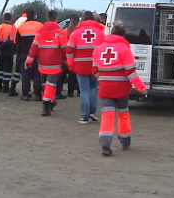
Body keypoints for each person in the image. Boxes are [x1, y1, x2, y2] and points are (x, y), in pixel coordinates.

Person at [92, 22, 147, 156]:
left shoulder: (98, 49)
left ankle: (105, 145)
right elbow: (131, 72)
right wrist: (141, 87)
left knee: (107, 116)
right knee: (123, 115)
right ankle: (125, 142)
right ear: (123, 36)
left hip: (105, 88)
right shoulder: (124, 49)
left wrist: (103, 80)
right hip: (121, 89)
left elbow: (94, 71)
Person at [25, 10, 67, 116]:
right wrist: (67, 61)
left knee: (46, 84)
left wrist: (28, 60)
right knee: (51, 85)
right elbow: (64, 49)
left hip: (42, 63)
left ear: (47, 18)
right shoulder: (60, 32)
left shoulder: (40, 31)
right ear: (56, 19)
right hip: (55, 62)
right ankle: (46, 104)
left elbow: (34, 47)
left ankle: (51, 102)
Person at [67, 11, 105, 124]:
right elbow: (104, 48)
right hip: (95, 65)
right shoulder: (100, 31)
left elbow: (69, 50)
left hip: (80, 65)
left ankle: (84, 116)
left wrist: (70, 63)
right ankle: (92, 112)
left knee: (84, 89)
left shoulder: (76, 32)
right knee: (94, 88)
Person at [17, 8, 43, 101]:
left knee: (25, 74)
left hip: (24, 54)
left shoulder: (21, 27)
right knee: (37, 74)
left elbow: (18, 42)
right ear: (35, 15)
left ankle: (25, 94)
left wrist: (19, 55)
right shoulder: (40, 25)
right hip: (37, 54)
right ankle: (37, 94)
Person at [7, 12, 28, 96]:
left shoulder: (18, 21)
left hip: (16, 45)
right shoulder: (25, 21)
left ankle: (12, 88)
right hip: (24, 46)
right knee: (25, 70)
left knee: (18, 69)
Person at [60, 14, 80, 98]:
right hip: (77, 56)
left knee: (63, 74)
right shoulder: (79, 31)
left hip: (67, 55)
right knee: (76, 75)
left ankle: (67, 91)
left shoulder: (65, 31)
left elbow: (63, 44)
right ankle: (78, 91)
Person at [0, 13, 16, 93]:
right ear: (10, 19)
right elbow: (12, 40)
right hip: (8, 49)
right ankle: (5, 86)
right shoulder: (11, 28)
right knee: (7, 69)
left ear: (3, 18)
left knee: (0, 68)